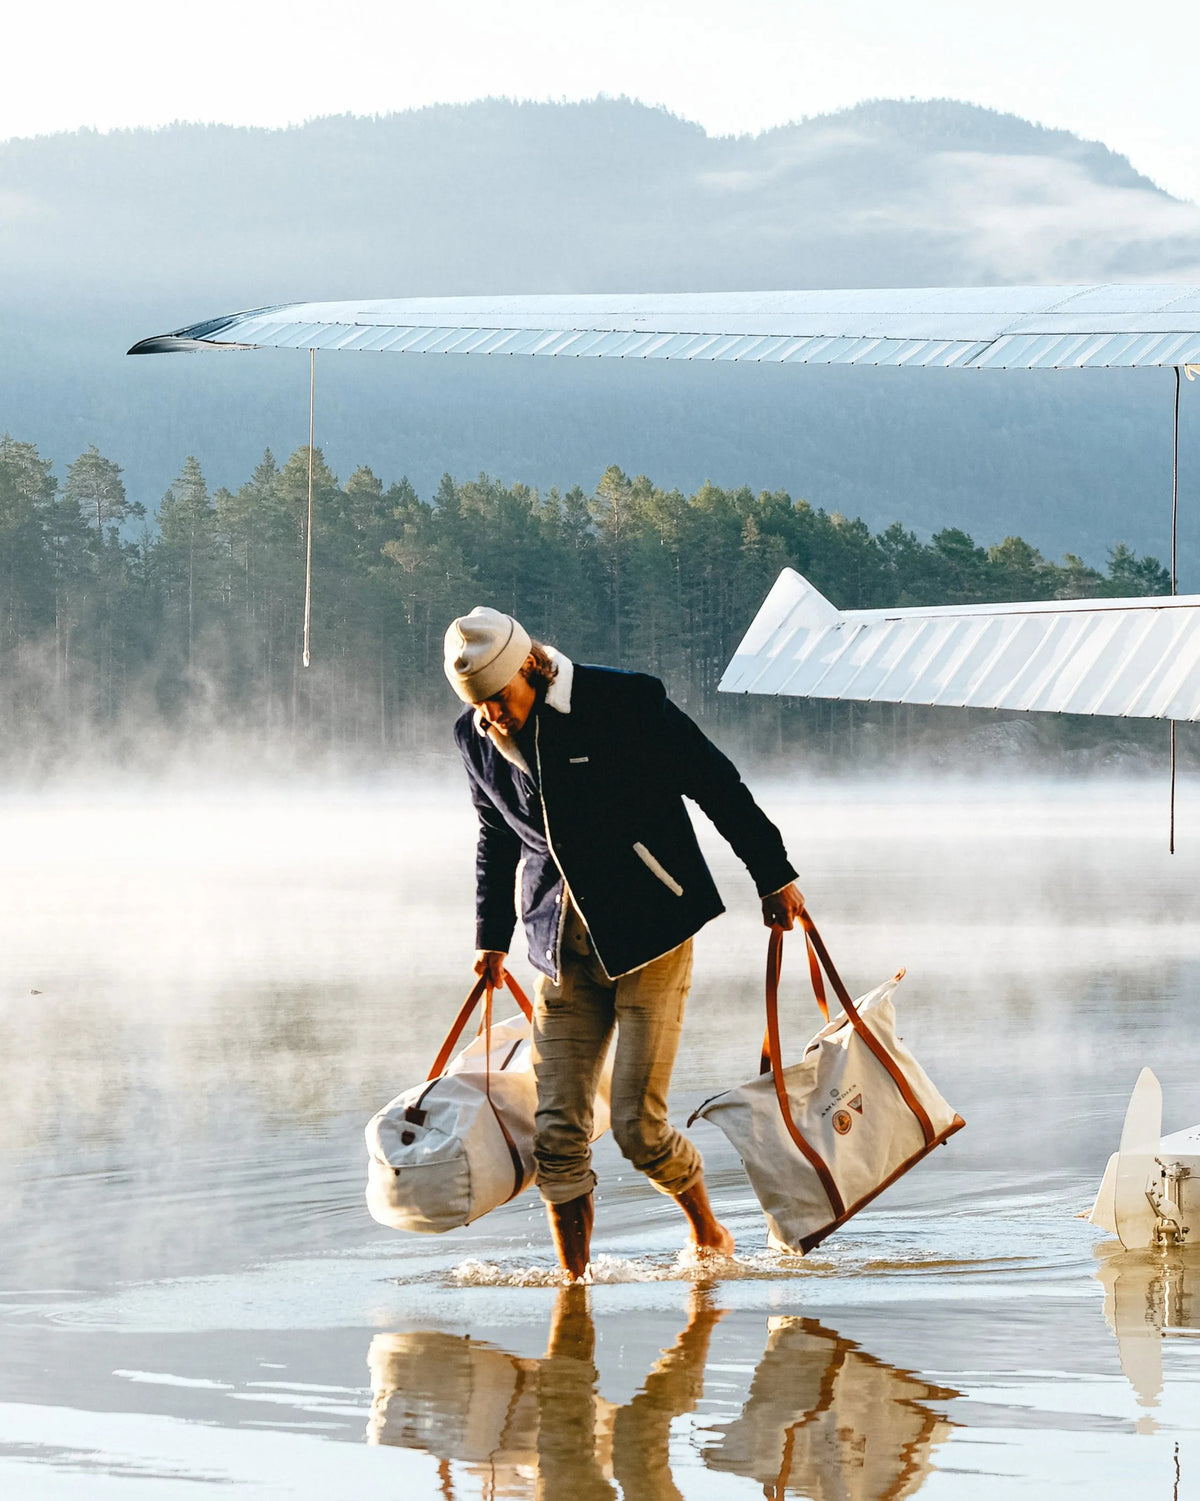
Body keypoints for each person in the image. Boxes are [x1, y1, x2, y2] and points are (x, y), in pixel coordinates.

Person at [444, 606, 804, 1278]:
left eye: (499, 699)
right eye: (479, 706)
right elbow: (496, 835)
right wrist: (492, 938)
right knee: (556, 1135)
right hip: (563, 949)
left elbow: (714, 781)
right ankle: (572, 1291)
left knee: (640, 1130)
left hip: (651, 932)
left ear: (529, 667)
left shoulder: (622, 701)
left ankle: (708, 1233)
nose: (492, 717)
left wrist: (773, 873)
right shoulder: (474, 737)